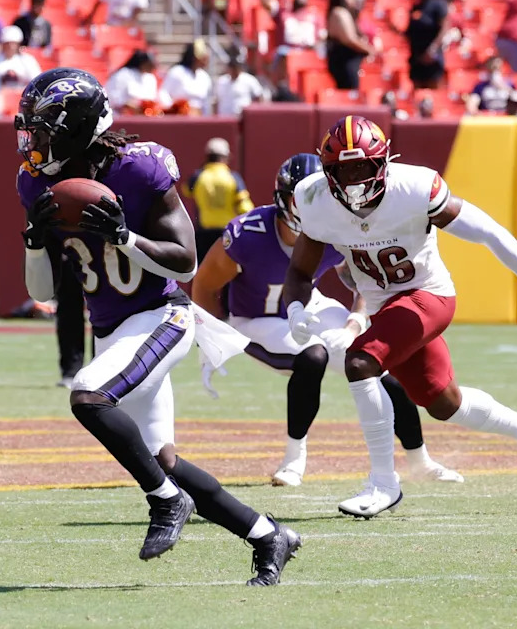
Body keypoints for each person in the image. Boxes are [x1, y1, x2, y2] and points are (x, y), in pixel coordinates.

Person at [17, 67, 301, 585]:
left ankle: (168, 504)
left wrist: (126, 238)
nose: (32, 140)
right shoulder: (35, 180)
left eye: (42, 129)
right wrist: (34, 240)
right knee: (161, 458)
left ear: (76, 127)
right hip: (112, 330)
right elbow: (41, 293)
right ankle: (267, 534)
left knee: (88, 395)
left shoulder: (140, 169)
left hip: (162, 316)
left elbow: (187, 262)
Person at [285, 116, 517, 519]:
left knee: (360, 361)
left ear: (382, 163)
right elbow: (299, 272)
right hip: (387, 307)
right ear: (326, 172)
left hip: (428, 294)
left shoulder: (415, 188)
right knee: (444, 403)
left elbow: (488, 231)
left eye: (360, 168)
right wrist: (296, 308)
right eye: (342, 170)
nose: (352, 181)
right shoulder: (314, 201)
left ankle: (383, 483)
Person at [191, 153, 463, 486]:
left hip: (308, 307)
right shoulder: (249, 234)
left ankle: (420, 460)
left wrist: (355, 321)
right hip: (254, 317)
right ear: (283, 200)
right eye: (302, 200)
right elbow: (205, 283)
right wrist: (212, 338)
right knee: (313, 355)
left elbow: (365, 279)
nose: (311, 208)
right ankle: (293, 460)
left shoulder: (338, 225)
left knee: (382, 364)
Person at [182, 137, 253, 263]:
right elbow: (245, 208)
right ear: (226, 157)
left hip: (204, 232)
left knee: (204, 270)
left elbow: (186, 190)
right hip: (227, 232)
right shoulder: (233, 177)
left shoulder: (199, 176)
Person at [326, 0, 376, 89]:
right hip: (344, 61)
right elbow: (349, 39)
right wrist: (368, 49)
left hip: (347, 61)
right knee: (349, 90)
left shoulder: (346, 13)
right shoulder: (339, 12)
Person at [406, 0, 454, 89]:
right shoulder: (416, 7)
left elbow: (444, 28)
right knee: (418, 94)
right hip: (417, 58)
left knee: (434, 93)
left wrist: (433, 48)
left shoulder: (438, 5)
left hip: (432, 59)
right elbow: (409, 33)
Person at [159, 40, 213, 115]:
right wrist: (174, 109)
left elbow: (206, 103)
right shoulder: (177, 71)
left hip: (199, 119)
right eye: (203, 57)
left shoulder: (205, 77)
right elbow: (163, 92)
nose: (206, 60)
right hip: (180, 118)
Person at [0, 26, 41, 92]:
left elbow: (37, 81)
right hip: (0, 96)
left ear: (18, 44)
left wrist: (18, 75)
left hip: (23, 96)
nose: (10, 46)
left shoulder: (27, 60)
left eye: (13, 43)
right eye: (7, 43)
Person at [104, 49, 159, 114]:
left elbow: (152, 98)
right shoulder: (123, 74)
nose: (152, 67)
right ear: (142, 63)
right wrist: (128, 105)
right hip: (121, 115)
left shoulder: (150, 77)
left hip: (145, 115)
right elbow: (113, 97)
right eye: (149, 64)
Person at [83, 0, 149, 27]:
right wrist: (89, 19)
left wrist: (127, 25)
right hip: (110, 25)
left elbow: (135, 16)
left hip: (127, 27)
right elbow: (97, 4)